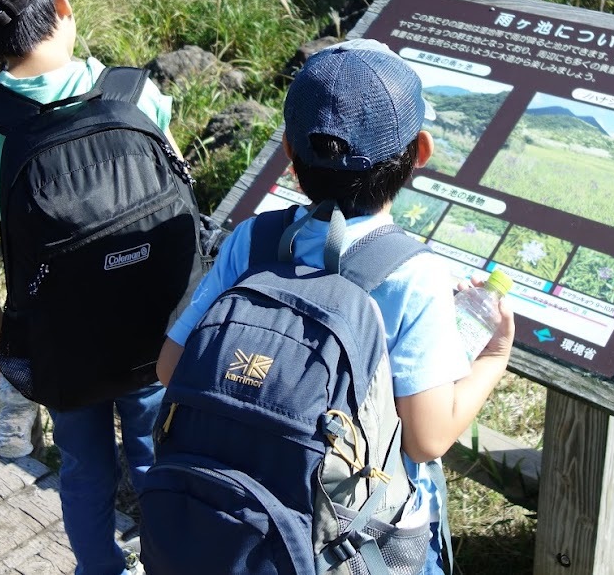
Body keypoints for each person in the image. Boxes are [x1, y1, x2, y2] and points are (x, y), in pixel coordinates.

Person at [156, 38, 514, 574]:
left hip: (237, 518)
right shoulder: (413, 274)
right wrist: (494, 357)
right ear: (420, 152)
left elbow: (169, 367)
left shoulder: (252, 240)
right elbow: (427, 439)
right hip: (347, 539)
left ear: (290, 156)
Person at [0, 0, 172, 575]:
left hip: (60, 343)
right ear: (63, 0)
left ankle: (97, 568)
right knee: (157, 453)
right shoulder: (136, 94)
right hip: (151, 335)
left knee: (83, 464)